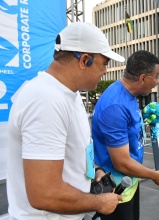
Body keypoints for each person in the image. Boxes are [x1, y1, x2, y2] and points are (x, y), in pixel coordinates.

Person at [6, 22, 125, 219]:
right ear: (84, 60)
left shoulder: (69, 93)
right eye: (104, 63)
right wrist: (99, 202)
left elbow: (69, 152)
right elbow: (43, 194)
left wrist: (93, 171)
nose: (105, 70)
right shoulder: (45, 99)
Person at [92, 50, 159, 220]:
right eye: (157, 76)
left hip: (130, 182)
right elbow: (121, 163)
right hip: (116, 190)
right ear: (143, 78)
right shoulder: (115, 106)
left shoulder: (129, 95)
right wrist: (154, 175)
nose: (158, 81)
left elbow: (128, 129)